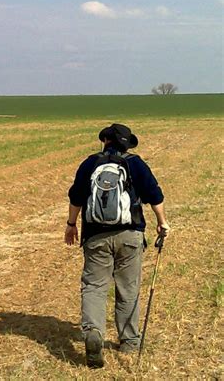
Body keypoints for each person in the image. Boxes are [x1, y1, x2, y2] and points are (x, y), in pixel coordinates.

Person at [65, 123, 170, 368]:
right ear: (126, 143)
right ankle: (130, 341)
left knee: (94, 286)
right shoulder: (135, 164)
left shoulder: (90, 163)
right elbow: (155, 195)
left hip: (95, 236)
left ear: (105, 141)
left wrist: (71, 224)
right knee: (128, 287)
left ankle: (93, 331)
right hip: (130, 234)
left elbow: (76, 196)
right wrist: (162, 222)